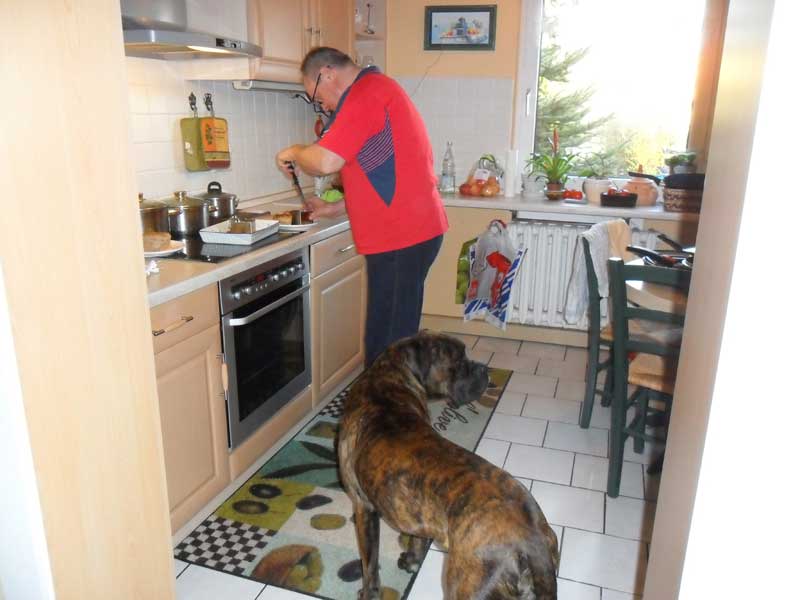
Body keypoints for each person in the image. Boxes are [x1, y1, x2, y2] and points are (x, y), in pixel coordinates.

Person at [276, 47, 448, 366]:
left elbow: (326, 162)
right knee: (391, 338)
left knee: (388, 346)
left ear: (327, 74)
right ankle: (392, 395)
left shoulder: (366, 93)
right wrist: (334, 208)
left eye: (317, 97)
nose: (323, 106)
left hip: (401, 236)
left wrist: (294, 151)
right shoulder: (376, 91)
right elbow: (379, 173)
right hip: (407, 232)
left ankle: (388, 398)